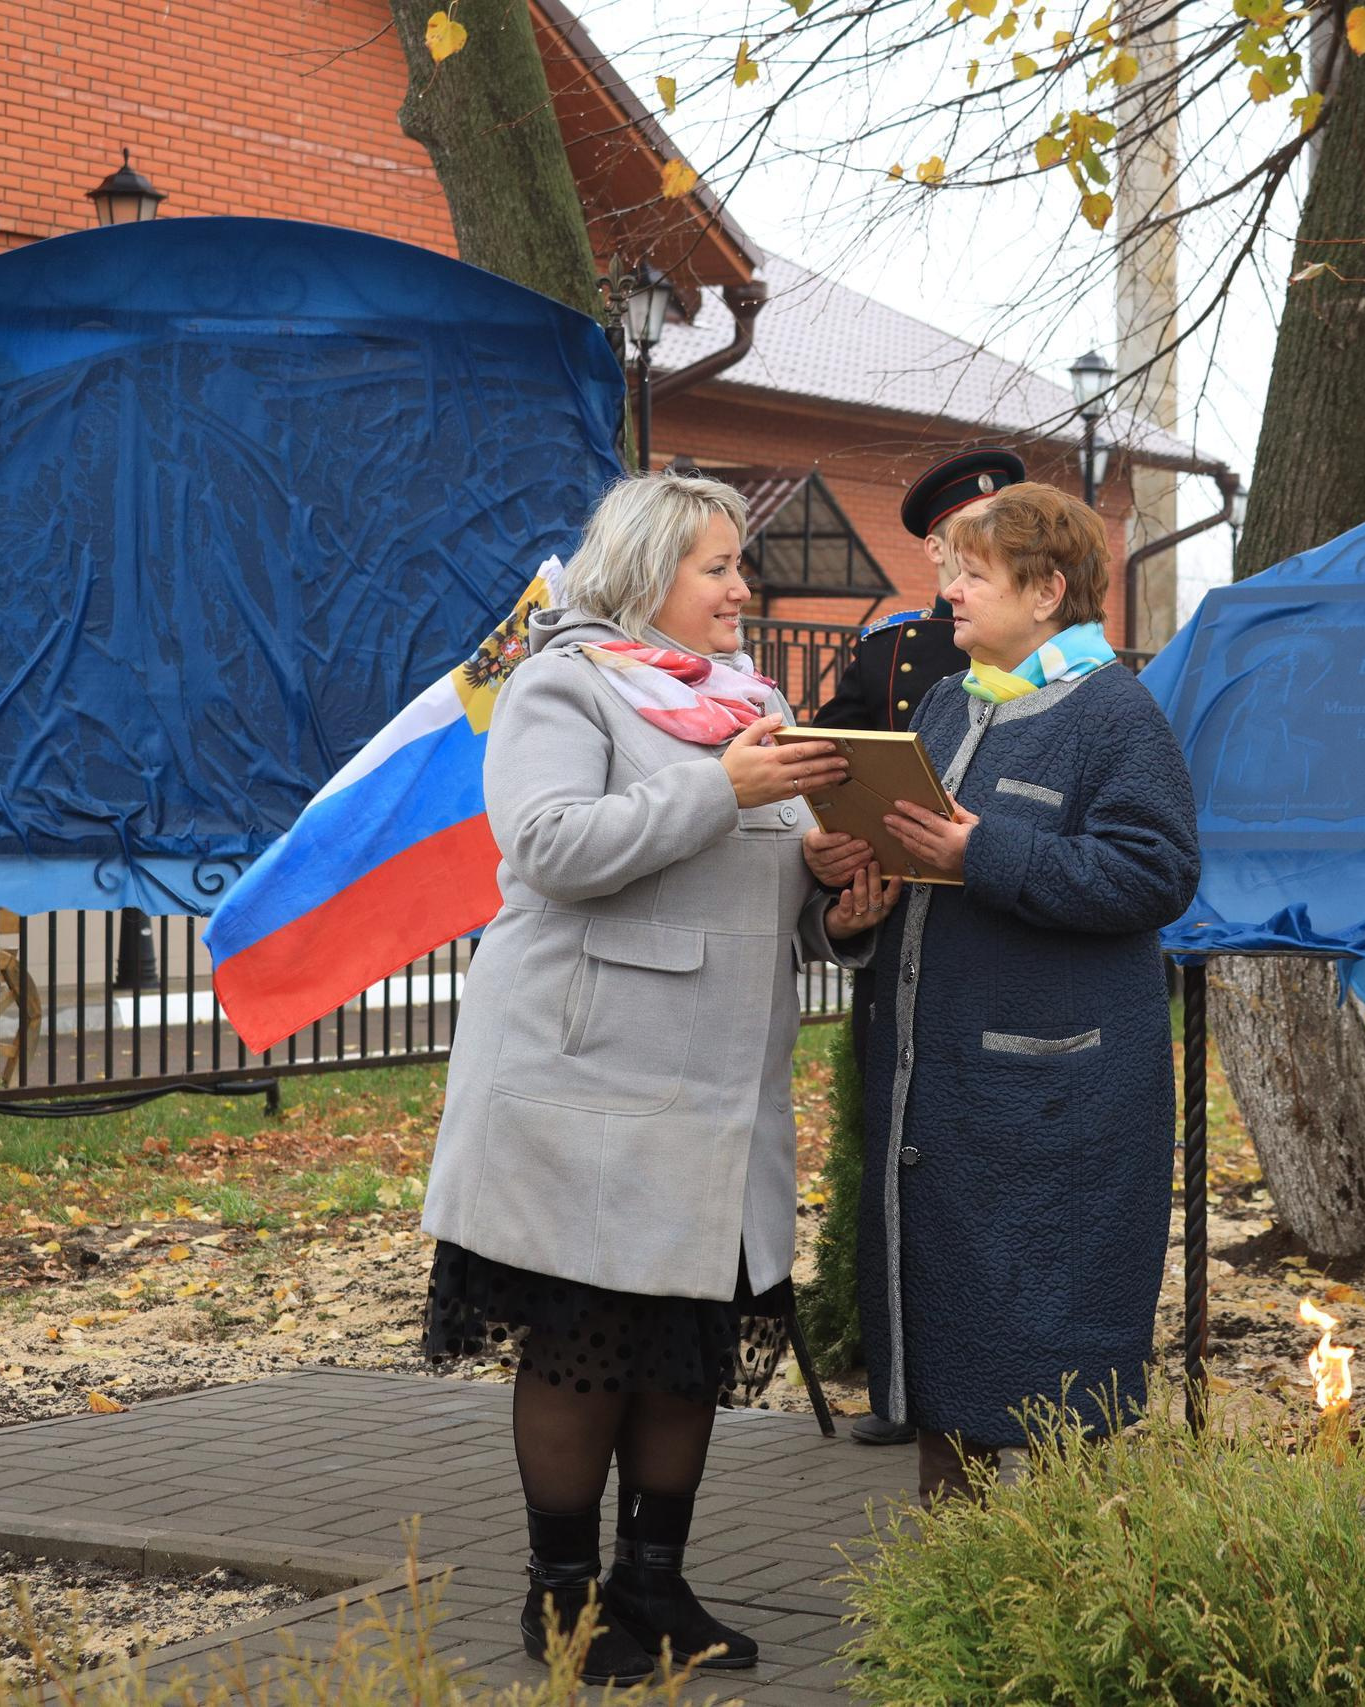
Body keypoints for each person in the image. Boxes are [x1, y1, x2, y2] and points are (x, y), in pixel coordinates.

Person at [418, 472, 893, 1681]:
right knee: (586, 1342)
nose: (746, 588)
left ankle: (655, 1586)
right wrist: (720, 786)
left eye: (741, 564)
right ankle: (561, 1602)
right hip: (588, 1080)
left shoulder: (754, 705)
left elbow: (767, 899)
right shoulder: (562, 684)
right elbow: (551, 847)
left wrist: (836, 896)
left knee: (684, 1348)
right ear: (645, 579)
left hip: (721, 1092)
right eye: (718, 567)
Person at [847, 480, 1198, 1501]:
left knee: (1056, 1380)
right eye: (951, 569)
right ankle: (948, 1609)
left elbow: (1156, 876)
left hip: (1057, 1117)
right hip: (940, 1106)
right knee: (943, 1373)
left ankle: (1058, 1610)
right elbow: (926, 868)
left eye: (972, 573)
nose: (947, 591)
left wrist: (981, 853)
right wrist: (853, 902)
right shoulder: (952, 700)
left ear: (1047, 592)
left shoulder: (1115, 714)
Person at [807, 446, 1025, 1448]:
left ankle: (1013, 1383)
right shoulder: (892, 654)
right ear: (937, 556)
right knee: (900, 1170)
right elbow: (825, 765)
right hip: (902, 937)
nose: (972, 565)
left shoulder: (1060, 657)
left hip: (1009, 939)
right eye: (960, 548)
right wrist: (831, 856)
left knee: (1008, 1179)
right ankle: (908, 1383)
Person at [807, 448, 1024, 733]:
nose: (990, 540)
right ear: (936, 549)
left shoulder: (1041, 637)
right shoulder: (886, 649)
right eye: (972, 528)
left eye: (1003, 527)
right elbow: (831, 756)